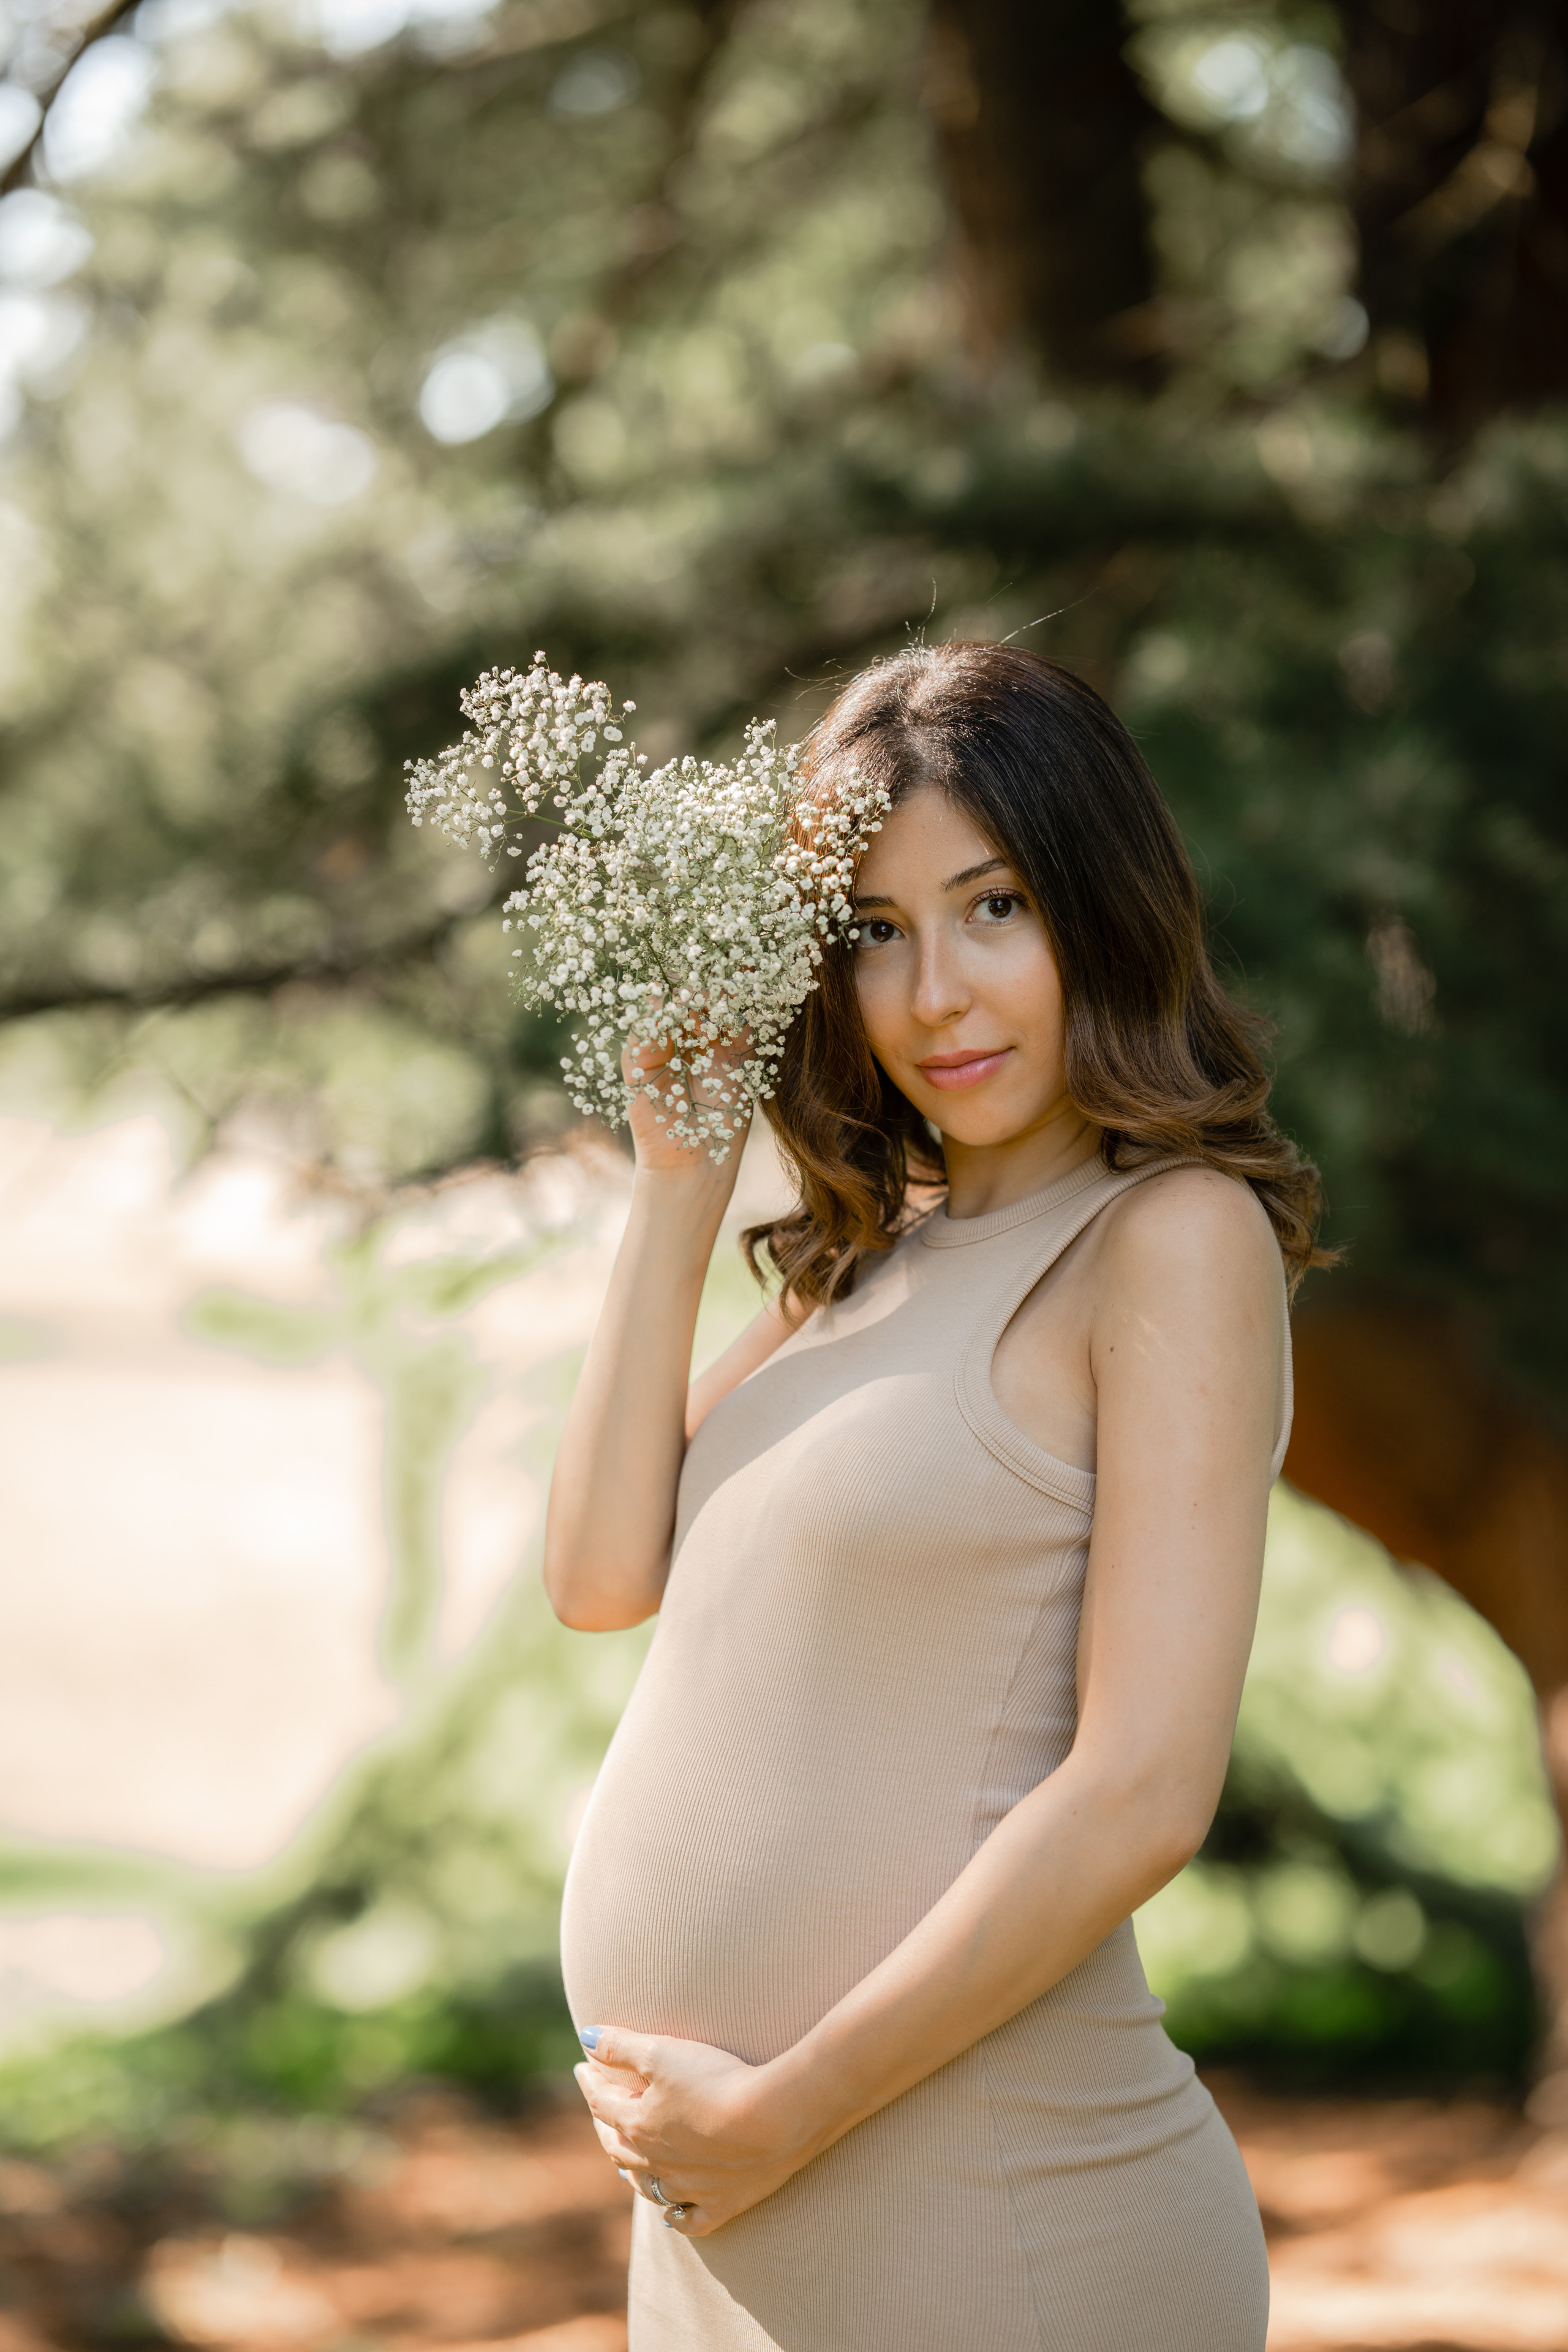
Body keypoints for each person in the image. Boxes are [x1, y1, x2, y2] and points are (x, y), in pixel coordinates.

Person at [546, 641, 1327, 2352]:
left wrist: (786, 2111)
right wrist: (678, 1189)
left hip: (997, 2220)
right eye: (877, 932)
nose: (935, 998)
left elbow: (1140, 1791)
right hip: (729, 2238)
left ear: (1100, 908)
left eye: (993, 908)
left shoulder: (1166, 1241)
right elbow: (604, 1576)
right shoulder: (863, 1270)